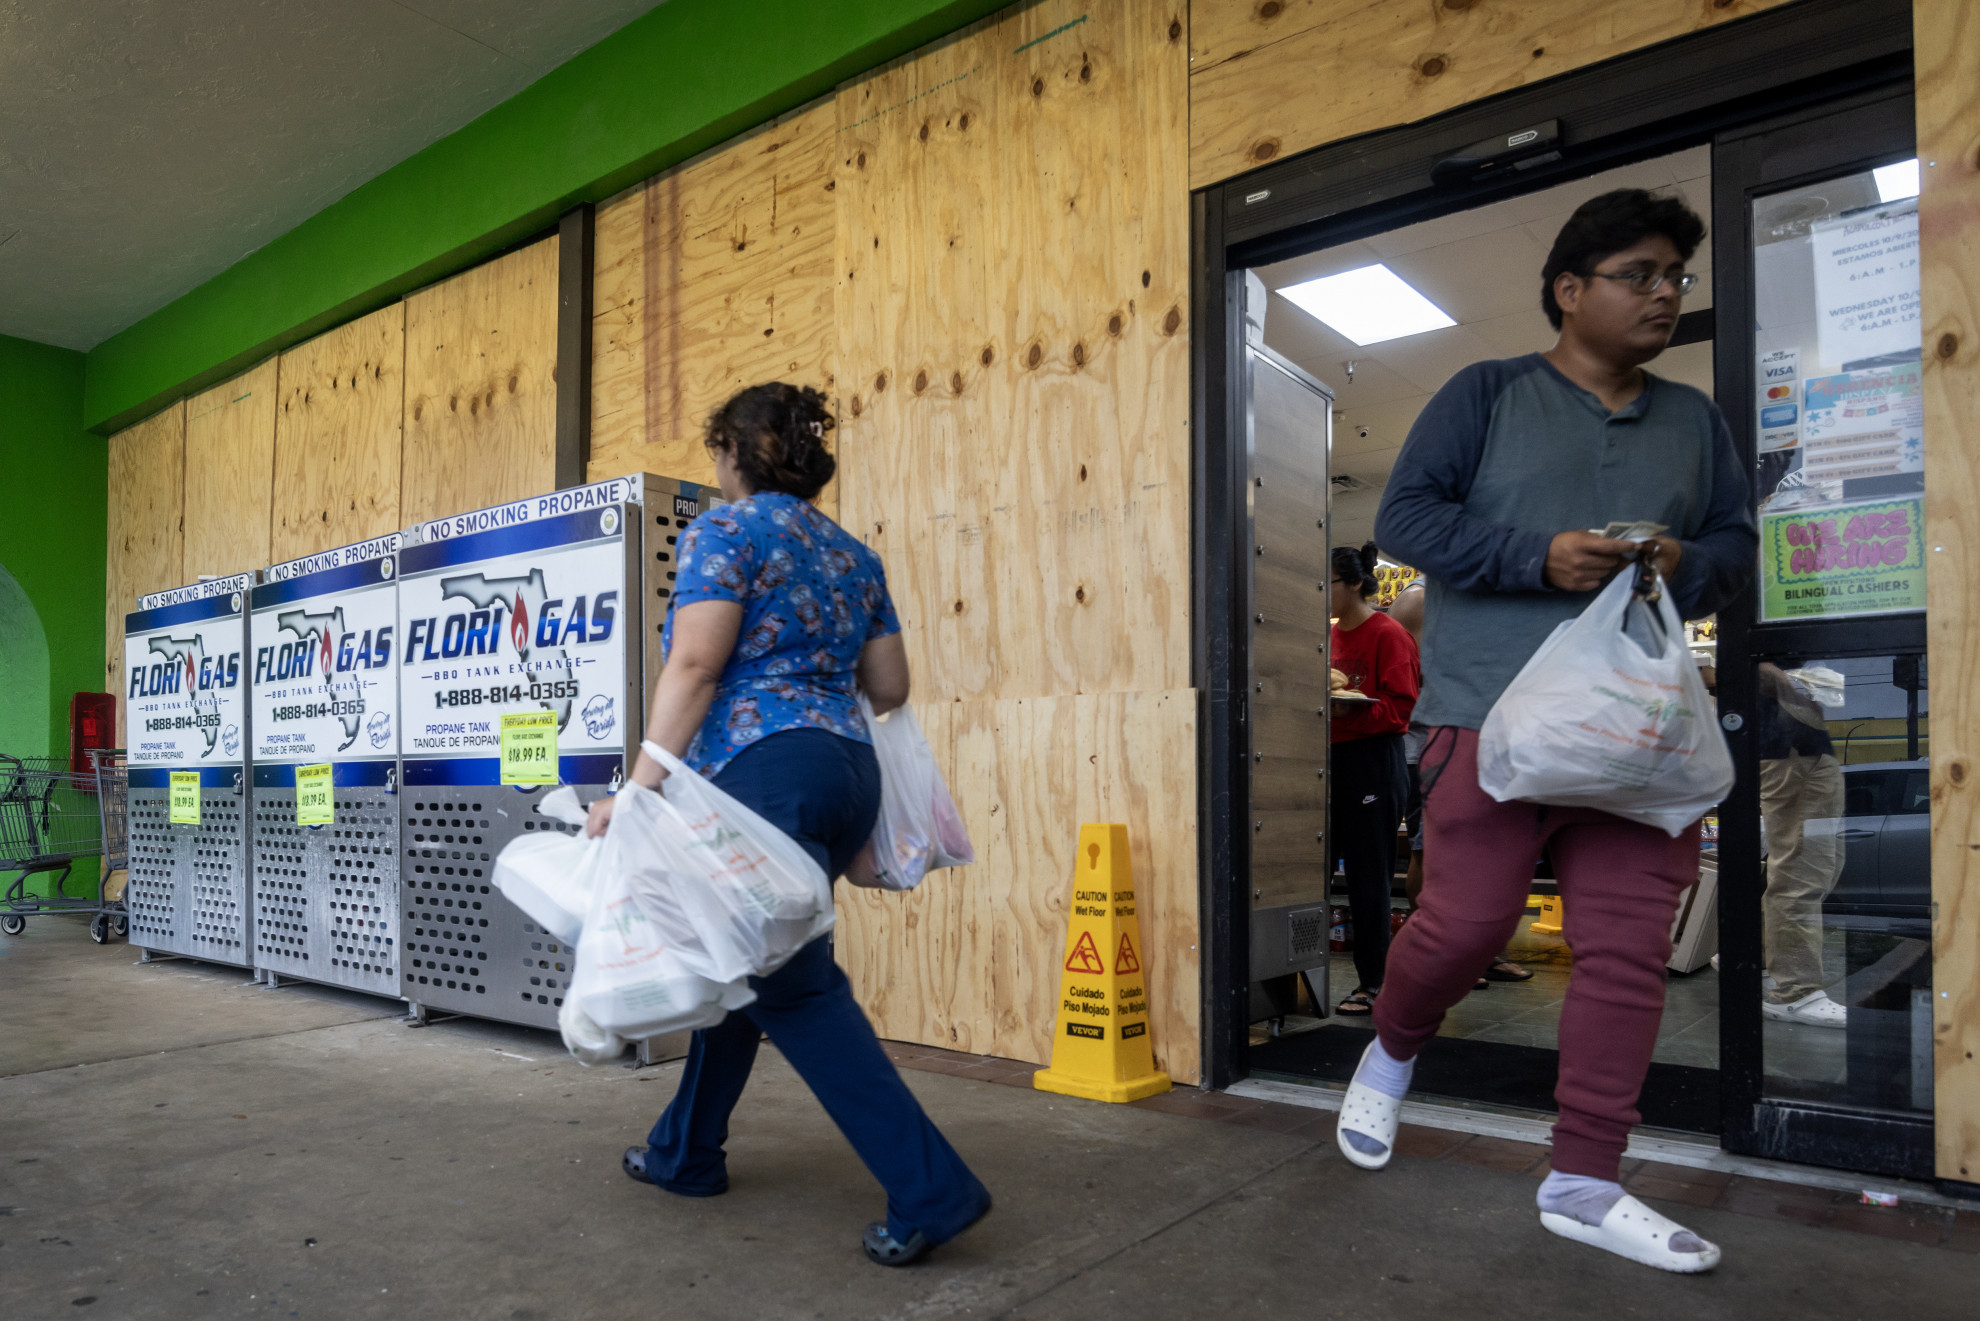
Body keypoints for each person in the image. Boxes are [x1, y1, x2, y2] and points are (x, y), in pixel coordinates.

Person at [1339, 189, 1755, 1273]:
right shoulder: (1487, 393)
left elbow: (1736, 549)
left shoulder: (1693, 421)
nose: (1665, 294)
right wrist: (1537, 556)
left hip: (1638, 737)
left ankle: (1583, 1181)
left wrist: (1686, 564)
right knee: (1464, 928)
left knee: (1626, 953)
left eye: (1676, 277)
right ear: (1570, 290)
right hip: (1489, 718)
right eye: (1639, 274)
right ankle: (1392, 1047)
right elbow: (1405, 519)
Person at [584, 382, 991, 1267]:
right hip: (845, 776)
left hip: (765, 778)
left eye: (717, 450)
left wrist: (638, 789)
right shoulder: (853, 553)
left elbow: (696, 665)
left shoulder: (726, 532)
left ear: (735, 451)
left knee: (797, 989)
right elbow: (890, 687)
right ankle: (685, 1151)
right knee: (749, 962)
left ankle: (932, 1188)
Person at [1389, 578, 1531, 991]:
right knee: (1428, 849)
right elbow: (1416, 675)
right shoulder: (1418, 599)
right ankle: (1433, 954)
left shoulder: (1474, 600)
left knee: (1483, 852)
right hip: (1429, 744)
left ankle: (1481, 953)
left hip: (1476, 740)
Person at [1327, 543, 1419, 1016]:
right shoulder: (1326, 636)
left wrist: (1352, 710)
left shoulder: (1388, 634)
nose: (1320, 593)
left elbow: (1402, 708)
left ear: (1354, 584)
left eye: (1327, 584)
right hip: (1328, 761)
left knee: (1369, 876)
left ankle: (1374, 982)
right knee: (1314, 870)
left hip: (1373, 761)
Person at [1756, 663, 1846, 1027]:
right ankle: (1795, 993)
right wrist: (1794, 686)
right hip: (1792, 752)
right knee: (1801, 874)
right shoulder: (1763, 636)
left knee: (1819, 866)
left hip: (1799, 750)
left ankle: (1758, 958)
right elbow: (1752, 662)